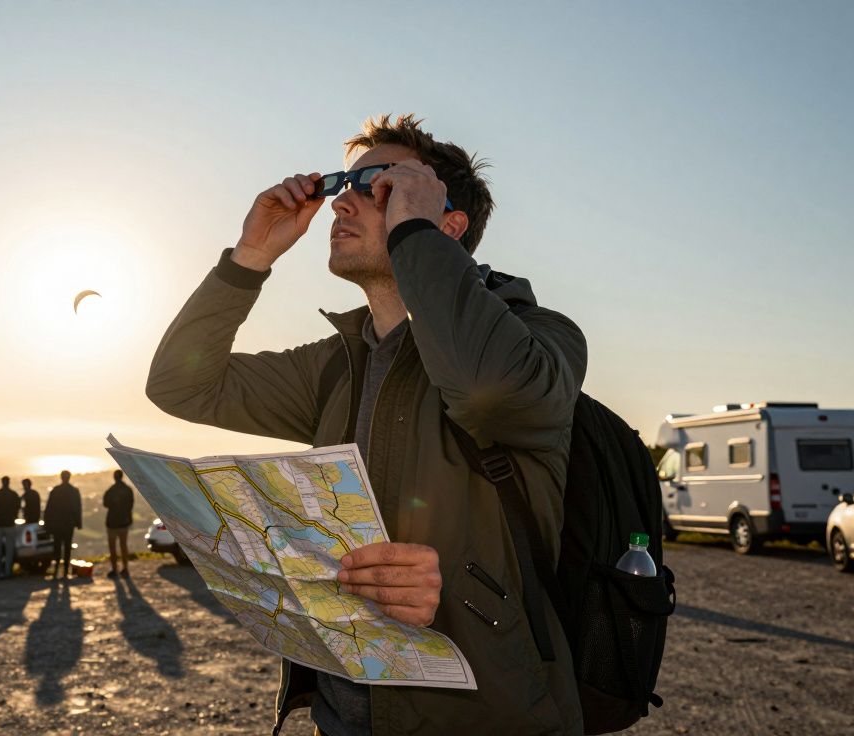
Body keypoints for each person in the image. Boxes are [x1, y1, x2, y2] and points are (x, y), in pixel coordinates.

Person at [145, 114, 586, 735]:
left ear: (447, 223)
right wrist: (251, 256)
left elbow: (493, 394)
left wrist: (415, 231)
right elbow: (180, 384)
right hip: (344, 719)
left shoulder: (540, 339)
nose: (341, 203)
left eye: (377, 184)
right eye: (341, 184)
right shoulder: (335, 364)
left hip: (492, 719)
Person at [43, 470, 82, 579]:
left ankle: (56, 570)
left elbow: (49, 508)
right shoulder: (74, 491)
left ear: (61, 477)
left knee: (57, 546)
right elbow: (77, 508)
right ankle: (65, 571)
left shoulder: (56, 490)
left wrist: (47, 524)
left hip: (57, 524)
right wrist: (78, 523)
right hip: (69, 524)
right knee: (67, 547)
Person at [102, 469, 134, 578]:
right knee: (123, 546)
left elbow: (105, 504)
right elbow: (131, 505)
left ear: (114, 477)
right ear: (122, 477)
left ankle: (114, 569)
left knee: (112, 547)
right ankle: (125, 568)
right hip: (124, 522)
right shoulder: (128, 490)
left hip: (112, 523)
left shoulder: (110, 490)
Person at [0, 475, 22, 579]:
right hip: (9, 524)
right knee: (9, 550)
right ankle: (8, 572)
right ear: (9, 482)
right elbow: (18, 508)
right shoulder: (13, 495)